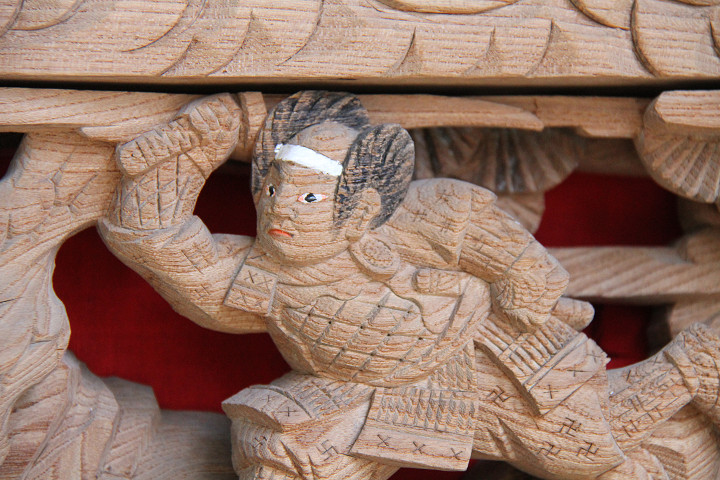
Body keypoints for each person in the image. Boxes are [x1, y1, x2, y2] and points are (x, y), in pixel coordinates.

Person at [100, 91, 720, 480]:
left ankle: (693, 364)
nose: (279, 210)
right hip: (353, 391)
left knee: (580, 453)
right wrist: (181, 158)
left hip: (476, 362)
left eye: (309, 197)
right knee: (280, 453)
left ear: (363, 210)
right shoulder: (259, 275)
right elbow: (160, 245)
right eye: (271, 189)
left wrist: (524, 288)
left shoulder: (428, 215)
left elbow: (527, 267)